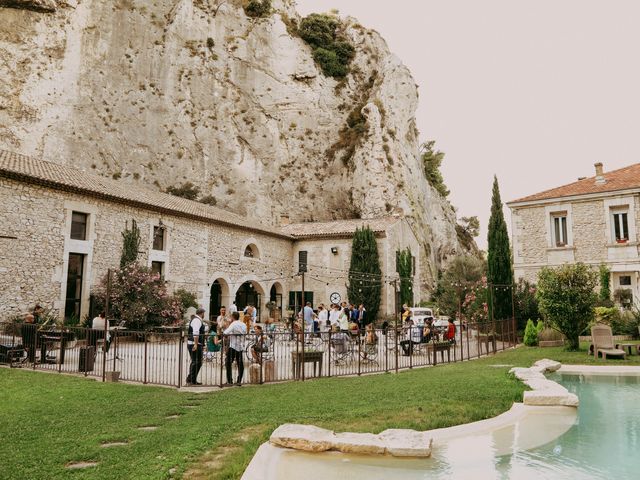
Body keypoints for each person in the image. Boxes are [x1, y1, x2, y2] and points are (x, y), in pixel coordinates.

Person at [224, 311, 247, 386]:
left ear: (233, 317)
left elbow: (226, 332)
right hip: (240, 346)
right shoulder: (243, 324)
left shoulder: (233, 324)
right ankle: (239, 380)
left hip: (233, 346)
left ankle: (229, 381)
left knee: (228, 363)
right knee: (240, 363)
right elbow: (245, 333)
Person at [186, 308, 206, 386]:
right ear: (202, 313)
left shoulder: (197, 320)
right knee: (196, 362)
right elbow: (196, 332)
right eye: (204, 313)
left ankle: (192, 379)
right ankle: (190, 380)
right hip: (194, 343)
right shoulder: (197, 320)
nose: (204, 315)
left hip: (196, 343)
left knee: (197, 362)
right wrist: (196, 344)